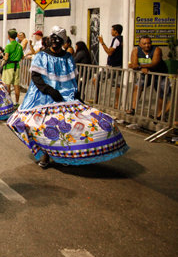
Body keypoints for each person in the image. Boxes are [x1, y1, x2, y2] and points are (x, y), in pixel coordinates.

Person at [7, 26, 128, 168]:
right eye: (53, 40)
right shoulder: (41, 56)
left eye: (58, 41)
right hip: (42, 96)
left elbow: (72, 78)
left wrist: (76, 94)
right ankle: (44, 155)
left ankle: (63, 153)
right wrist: (48, 90)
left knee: (67, 125)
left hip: (65, 96)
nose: (55, 43)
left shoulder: (67, 57)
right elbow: (36, 76)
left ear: (63, 42)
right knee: (41, 126)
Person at [127, 36, 170, 118]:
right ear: (140, 44)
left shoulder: (157, 50)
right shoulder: (136, 51)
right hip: (146, 74)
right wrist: (141, 67)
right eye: (144, 44)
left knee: (161, 94)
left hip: (160, 74)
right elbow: (133, 65)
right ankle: (133, 108)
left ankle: (159, 115)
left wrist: (140, 67)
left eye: (149, 43)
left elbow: (155, 64)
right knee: (137, 87)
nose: (147, 45)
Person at [0, 29, 24, 104]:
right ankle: (17, 102)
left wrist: (2, 55)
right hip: (17, 66)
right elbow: (22, 57)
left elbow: (6, 58)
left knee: (7, 84)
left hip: (9, 66)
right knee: (16, 85)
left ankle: (8, 102)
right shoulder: (19, 45)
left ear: (8, 36)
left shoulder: (8, 45)